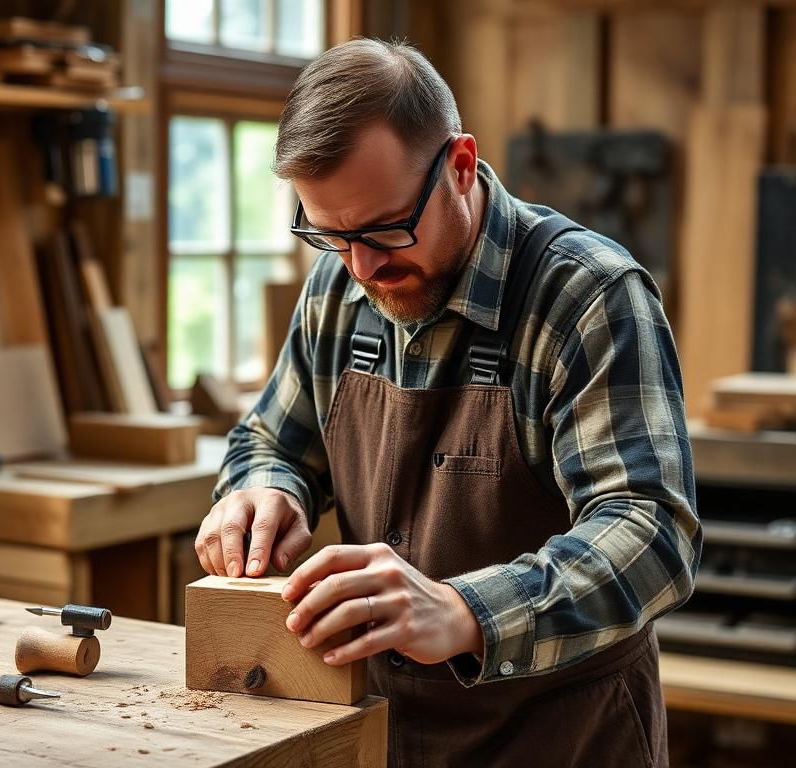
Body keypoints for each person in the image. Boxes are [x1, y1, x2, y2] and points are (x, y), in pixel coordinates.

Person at [195, 38, 700, 767]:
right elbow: (270, 440)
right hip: (387, 737)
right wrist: (263, 488)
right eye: (330, 235)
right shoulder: (342, 286)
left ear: (461, 166)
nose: (363, 266)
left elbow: (652, 532)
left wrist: (465, 612)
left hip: (565, 737)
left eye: (385, 229)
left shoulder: (587, 296)